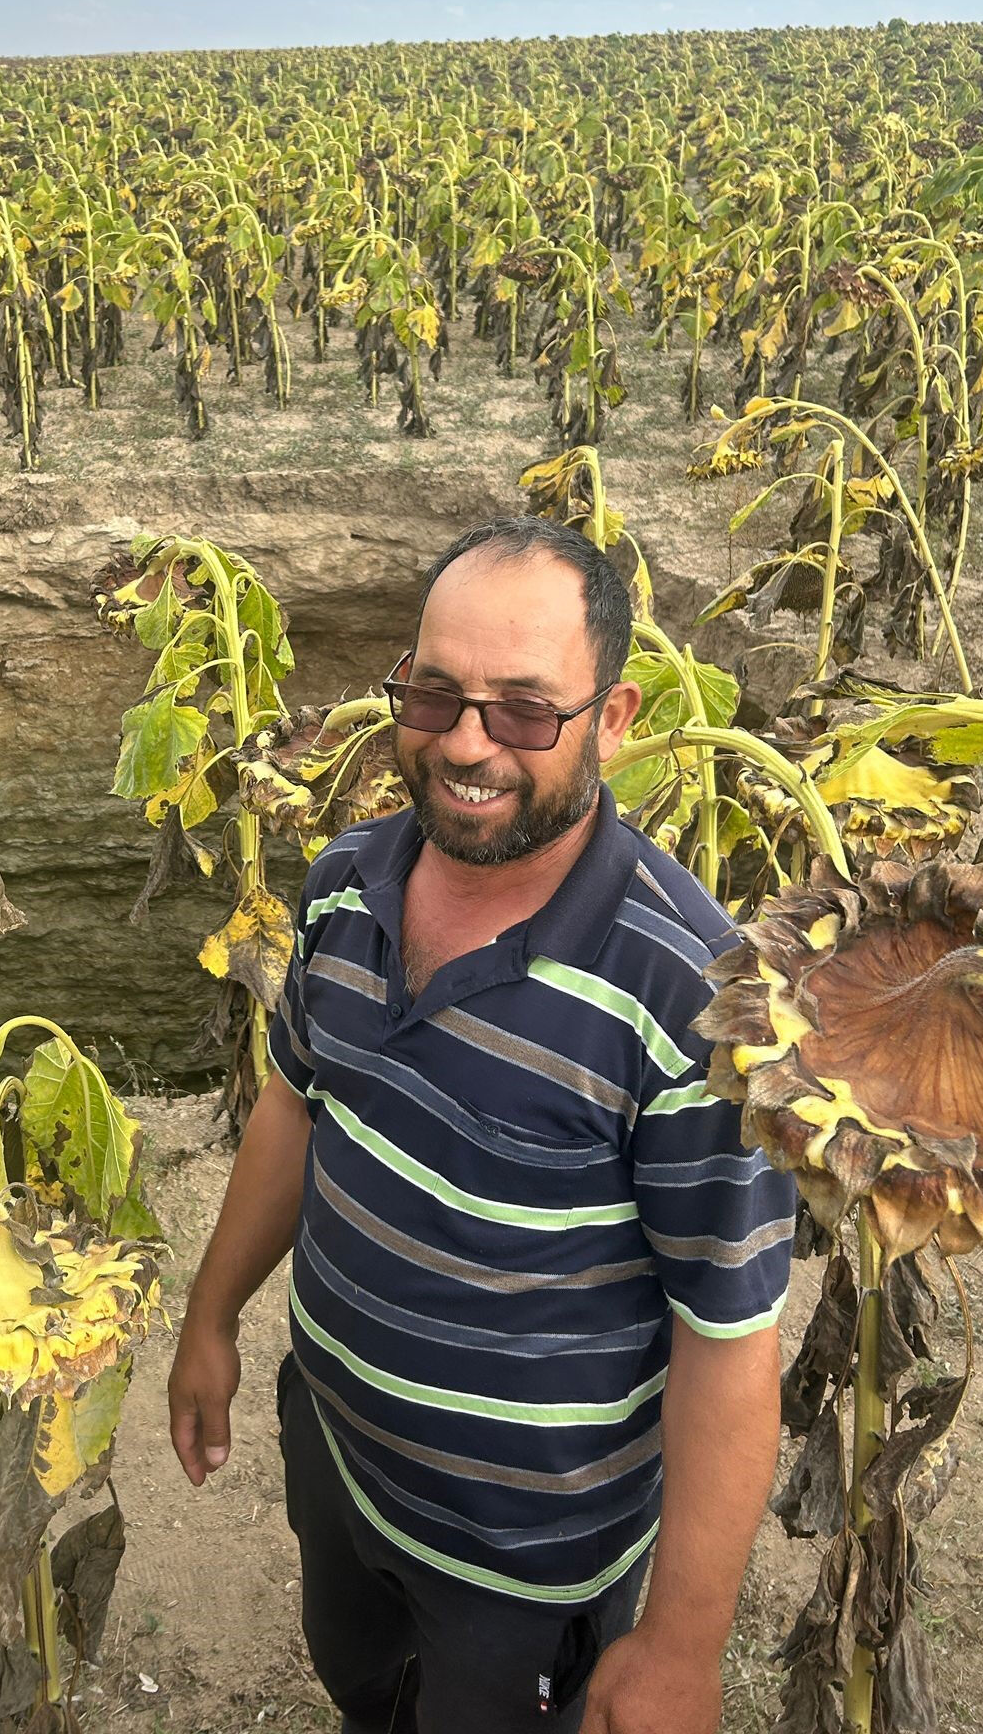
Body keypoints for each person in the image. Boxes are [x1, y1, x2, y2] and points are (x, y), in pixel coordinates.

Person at [166, 516, 794, 1734]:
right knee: (361, 1686)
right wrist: (210, 1318)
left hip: (523, 1563)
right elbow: (297, 1101)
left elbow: (727, 1336)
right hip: (338, 1452)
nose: (465, 741)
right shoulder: (347, 880)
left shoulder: (690, 996)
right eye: (434, 691)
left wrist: (677, 1646)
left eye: (521, 709)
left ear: (613, 720)